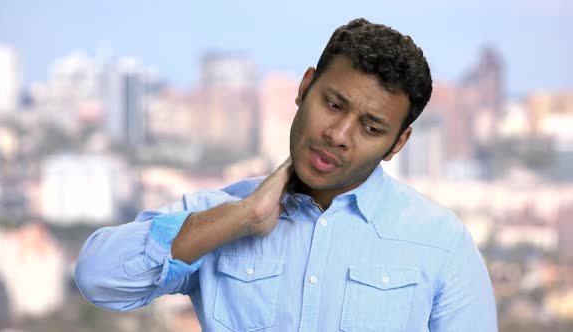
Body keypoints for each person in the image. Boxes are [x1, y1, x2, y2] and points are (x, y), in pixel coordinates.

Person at [75, 18, 498, 332]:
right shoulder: (220, 215)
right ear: (304, 88)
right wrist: (240, 219)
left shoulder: (441, 243)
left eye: (370, 128)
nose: (338, 135)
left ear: (398, 144)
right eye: (333, 104)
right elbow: (99, 278)